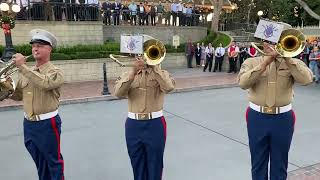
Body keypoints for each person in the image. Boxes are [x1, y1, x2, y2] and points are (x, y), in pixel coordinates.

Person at [238, 27, 313, 179]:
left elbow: (306, 79)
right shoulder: (251, 61)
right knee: (258, 161)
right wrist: (264, 63)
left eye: (277, 41)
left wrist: (287, 58)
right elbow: (243, 83)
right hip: (257, 116)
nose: (272, 44)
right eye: (268, 41)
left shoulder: (293, 62)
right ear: (263, 42)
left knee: (280, 163)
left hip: (283, 118)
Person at [9, 29, 65, 180]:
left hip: (47, 123)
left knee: (54, 162)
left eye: (40, 45)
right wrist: (5, 89)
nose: (35, 48)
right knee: (39, 162)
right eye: (34, 45)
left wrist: (22, 67)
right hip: (29, 123)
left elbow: (45, 83)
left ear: (49, 49)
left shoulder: (55, 71)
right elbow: (18, 95)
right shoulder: (28, 71)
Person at [114, 57, 175, 180]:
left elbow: (169, 87)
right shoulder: (127, 74)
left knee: (155, 164)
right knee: (137, 163)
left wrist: (154, 68)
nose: (142, 58)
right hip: (133, 125)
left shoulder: (162, 74)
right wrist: (132, 73)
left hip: (155, 124)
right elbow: (118, 93)